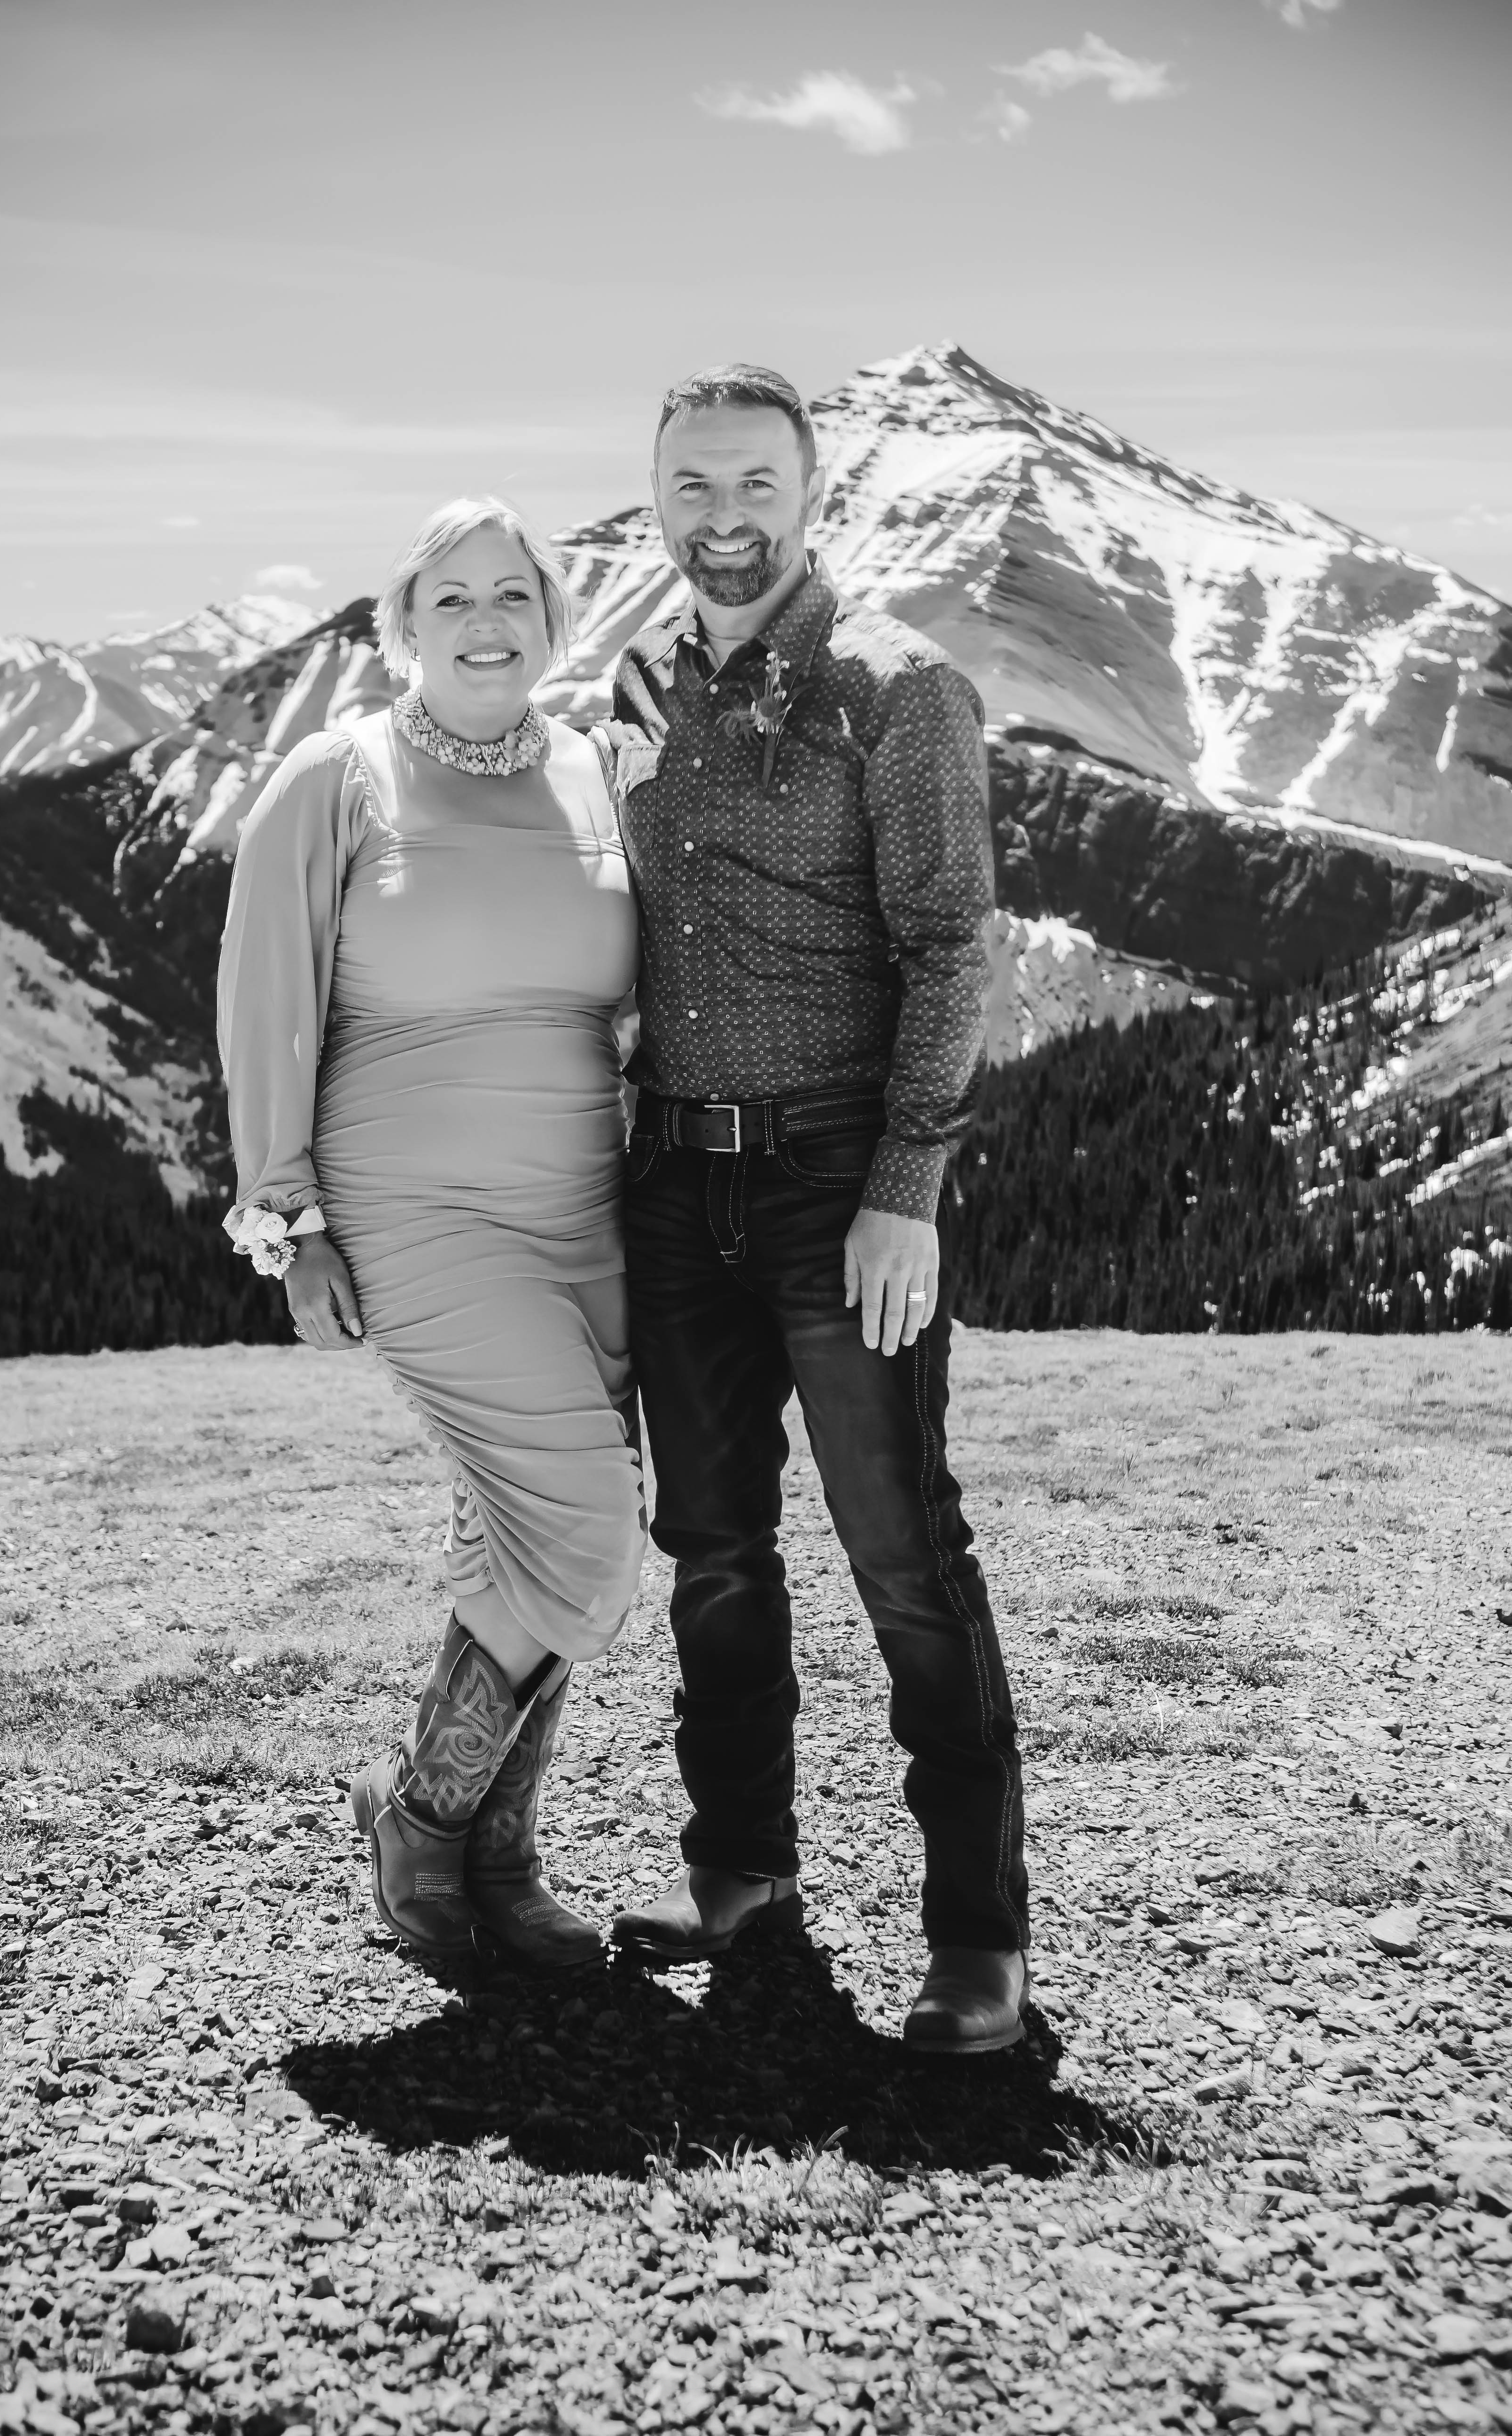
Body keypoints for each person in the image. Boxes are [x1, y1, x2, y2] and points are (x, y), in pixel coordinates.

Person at [605, 365, 1030, 2052]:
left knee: (903, 1554)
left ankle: (978, 1941)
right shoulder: (636, 682)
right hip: (671, 1181)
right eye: (693, 488)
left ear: (810, 493)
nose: (724, 521)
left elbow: (951, 950)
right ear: (657, 498)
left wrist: (903, 1192)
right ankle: (741, 1877)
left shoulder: (897, 689)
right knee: (712, 1552)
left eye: (755, 486)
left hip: (836, 1181)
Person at [217, 498, 645, 1973]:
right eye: (450, 597)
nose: (485, 622)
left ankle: (499, 1865)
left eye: (513, 594)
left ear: (554, 619)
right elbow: (265, 1004)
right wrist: (290, 1220)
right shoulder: (336, 778)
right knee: (588, 1524)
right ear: (402, 624)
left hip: (589, 1208)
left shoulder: (595, 772)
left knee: (516, 1530)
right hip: (420, 1206)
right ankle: (421, 1814)